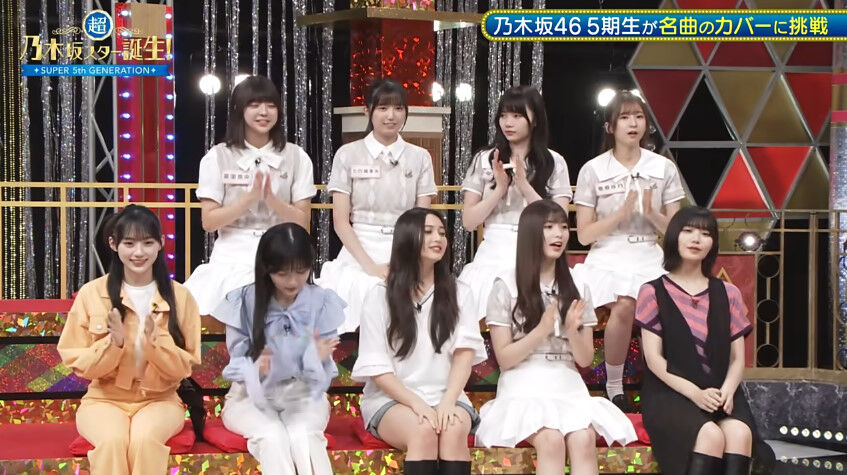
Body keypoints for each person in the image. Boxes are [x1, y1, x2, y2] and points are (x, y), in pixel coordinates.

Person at [475, 200, 635, 475]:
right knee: (550, 440)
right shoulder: (506, 285)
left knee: (583, 439)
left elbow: (585, 359)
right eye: (549, 227)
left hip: (567, 383)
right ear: (531, 233)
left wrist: (571, 330)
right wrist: (541, 330)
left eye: (562, 227)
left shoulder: (577, 285)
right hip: (522, 384)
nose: (558, 234)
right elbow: (505, 358)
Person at [58, 204, 201, 474]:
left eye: (148, 243)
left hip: (160, 400)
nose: (139, 252)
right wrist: (113, 345)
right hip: (103, 400)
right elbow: (78, 363)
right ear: (114, 244)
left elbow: (184, 367)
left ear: (161, 243)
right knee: (113, 441)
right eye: (129, 243)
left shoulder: (180, 297)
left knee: (144, 441)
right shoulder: (92, 294)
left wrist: (155, 345)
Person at [637, 206, 773, 475]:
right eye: (688, 231)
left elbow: (737, 358)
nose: (696, 239)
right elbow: (653, 359)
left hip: (720, 392)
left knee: (739, 433)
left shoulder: (729, 293)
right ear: (674, 237)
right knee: (710, 435)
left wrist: (728, 390)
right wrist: (696, 394)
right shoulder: (652, 291)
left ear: (713, 243)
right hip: (671, 393)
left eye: (705, 233)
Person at [572, 90, 684, 410]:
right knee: (625, 302)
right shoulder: (593, 169)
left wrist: (651, 215)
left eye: (638, 117)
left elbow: (676, 233)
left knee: (666, 305)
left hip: (649, 250)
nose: (632, 123)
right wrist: (619, 216)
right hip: (607, 253)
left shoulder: (663, 168)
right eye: (624, 117)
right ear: (610, 127)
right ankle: (614, 385)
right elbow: (584, 235)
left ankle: (665, 383)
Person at [352, 208, 487, 475]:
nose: (438, 238)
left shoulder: (461, 292)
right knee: (423, 429)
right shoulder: (379, 296)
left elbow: (464, 355)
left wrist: (448, 401)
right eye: (428, 232)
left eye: (442, 232)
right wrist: (417, 404)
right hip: (392, 400)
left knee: (451, 429)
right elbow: (378, 369)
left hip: (448, 396)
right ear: (407, 238)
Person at [214, 223, 343, 474]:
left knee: (303, 434)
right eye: (283, 273)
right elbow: (238, 366)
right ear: (267, 268)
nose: (293, 281)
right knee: (273, 435)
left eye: (301, 271)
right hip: (249, 398)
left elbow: (324, 373)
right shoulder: (243, 301)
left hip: (304, 395)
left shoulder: (321, 302)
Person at [185, 75, 317, 315]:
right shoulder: (217, 157)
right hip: (232, 253)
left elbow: (302, 222)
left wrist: (272, 200)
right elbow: (209, 222)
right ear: (239, 110)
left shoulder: (297, 156)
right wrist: (249, 199)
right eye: (254, 105)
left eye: (271, 105)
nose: (264, 112)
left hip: (283, 252)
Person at [318, 78, 437, 334]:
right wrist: (370, 266)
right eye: (383, 108)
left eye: (398, 108)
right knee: (362, 289)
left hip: (405, 245)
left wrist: (408, 260)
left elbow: (422, 220)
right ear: (367, 111)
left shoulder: (420, 157)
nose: (391, 116)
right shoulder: (347, 154)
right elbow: (341, 221)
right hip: (359, 247)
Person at [459, 85, 572, 320]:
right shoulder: (485, 159)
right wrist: (499, 190)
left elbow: (559, 221)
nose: (508, 123)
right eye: (503, 115)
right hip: (493, 248)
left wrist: (525, 186)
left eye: (517, 115)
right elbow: (469, 221)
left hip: (536, 247)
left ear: (535, 119)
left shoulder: (554, 161)